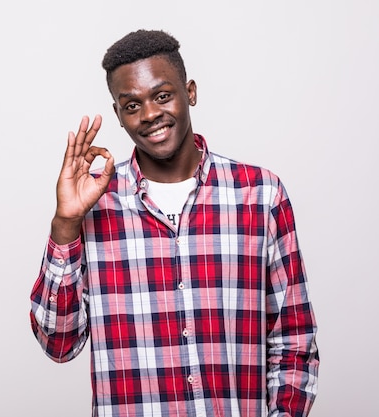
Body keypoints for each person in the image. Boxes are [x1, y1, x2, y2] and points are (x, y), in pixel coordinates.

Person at [29, 29, 319, 417]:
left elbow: (294, 341)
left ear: (191, 92)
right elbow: (58, 343)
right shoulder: (94, 202)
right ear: (118, 115)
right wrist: (65, 223)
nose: (149, 114)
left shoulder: (260, 195)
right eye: (132, 105)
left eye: (162, 96)